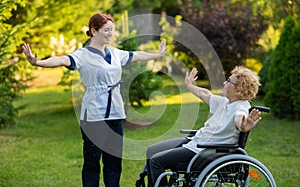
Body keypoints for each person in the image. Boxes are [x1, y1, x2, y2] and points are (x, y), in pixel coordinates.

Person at [22, 12, 168, 187]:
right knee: (92, 163)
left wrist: (157, 55)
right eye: (106, 30)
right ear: (94, 30)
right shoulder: (82, 55)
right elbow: (61, 60)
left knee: (114, 161)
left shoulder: (114, 53)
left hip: (116, 114)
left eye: (111, 30)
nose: (110, 34)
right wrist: (37, 62)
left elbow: (135, 55)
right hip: (93, 115)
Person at [146, 66, 262, 186]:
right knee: (151, 151)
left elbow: (239, 119)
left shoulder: (240, 106)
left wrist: (244, 125)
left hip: (203, 151)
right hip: (195, 142)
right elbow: (205, 94)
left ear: (239, 89)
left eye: (228, 81)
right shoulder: (225, 102)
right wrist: (189, 85)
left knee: (156, 161)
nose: (224, 83)